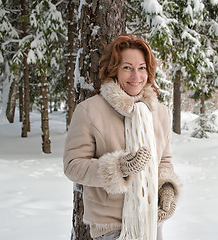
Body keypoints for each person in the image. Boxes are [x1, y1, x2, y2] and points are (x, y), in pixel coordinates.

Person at [63, 33, 181, 240]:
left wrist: (168, 189)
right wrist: (118, 168)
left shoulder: (159, 112)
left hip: (151, 221)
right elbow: (73, 165)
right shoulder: (90, 111)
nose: (136, 75)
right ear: (114, 69)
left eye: (142, 68)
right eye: (127, 67)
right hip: (111, 227)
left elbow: (164, 160)